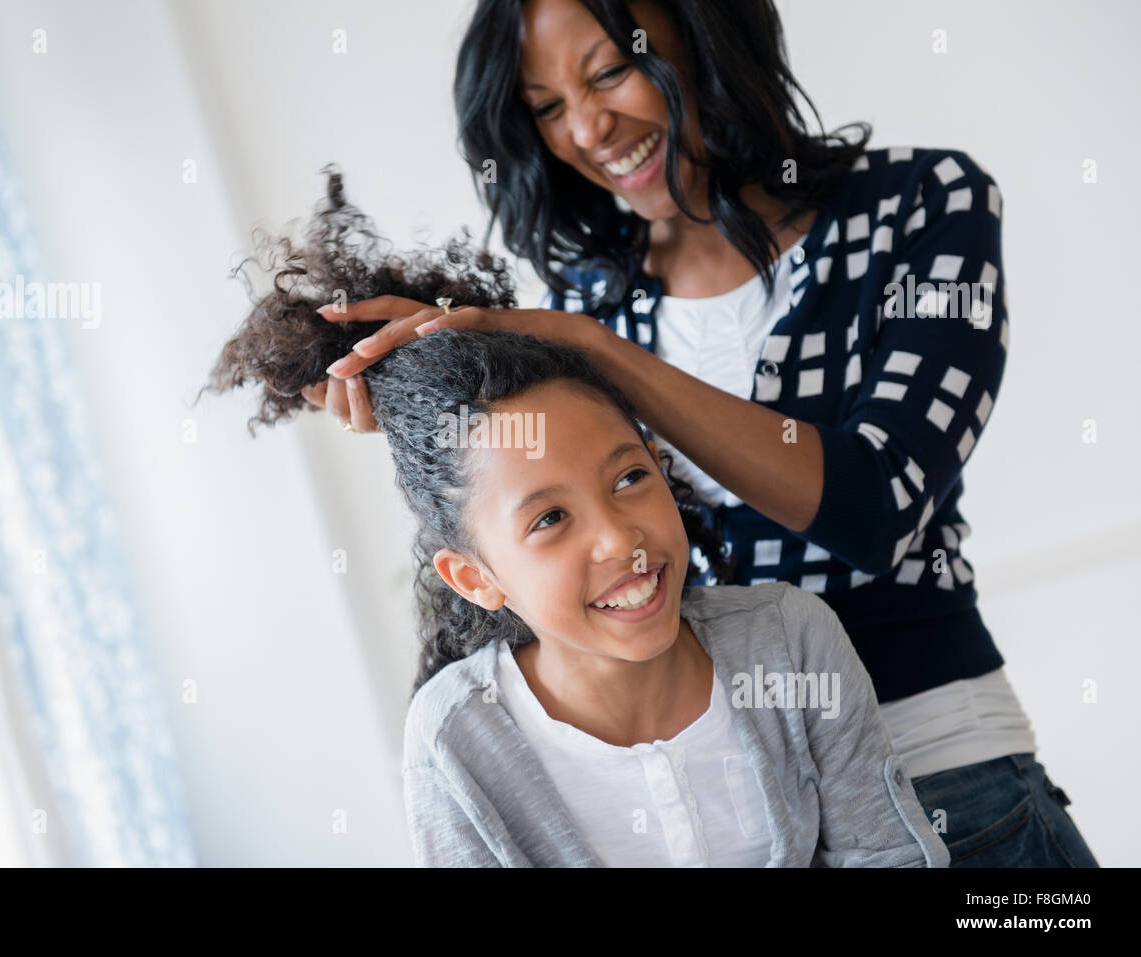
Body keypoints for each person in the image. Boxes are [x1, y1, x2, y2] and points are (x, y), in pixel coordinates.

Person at [306, 0, 1098, 866]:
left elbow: (877, 503)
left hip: (949, 779)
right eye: (547, 106)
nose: (588, 126)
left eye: (611, 70)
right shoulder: (589, 303)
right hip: (752, 812)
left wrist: (597, 351)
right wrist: (419, 395)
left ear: (707, 34)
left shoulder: (923, 205)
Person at [201, 168, 948, 866]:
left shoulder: (788, 642)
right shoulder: (459, 741)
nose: (620, 538)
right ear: (475, 576)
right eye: (550, 518)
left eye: (629, 476)